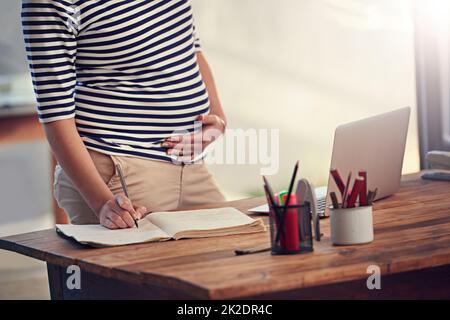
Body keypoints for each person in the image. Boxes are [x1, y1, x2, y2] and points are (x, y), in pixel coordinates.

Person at [21, 0, 226, 229]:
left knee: (233, 255)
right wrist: (102, 204)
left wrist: (218, 120)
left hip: (192, 166)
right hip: (120, 169)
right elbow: (56, 115)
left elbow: (188, 45)